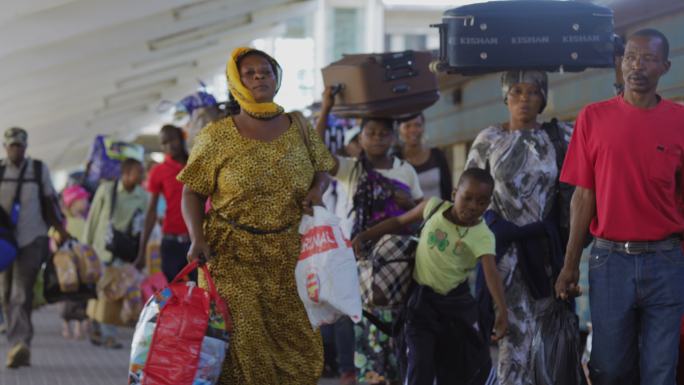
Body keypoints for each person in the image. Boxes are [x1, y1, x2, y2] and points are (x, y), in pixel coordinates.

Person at [178, 47, 334, 385]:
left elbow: (323, 167)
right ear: (237, 82)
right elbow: (191, 191)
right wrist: (197, 237)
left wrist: (316, 190)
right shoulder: (217, 135)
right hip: (231, 255)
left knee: (299, 347)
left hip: (289, 254)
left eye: (266, 70)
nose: (260, 76)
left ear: (277, 78)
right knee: (246, 347)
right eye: (250, 72)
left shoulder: (299, 126)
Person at [555, 29, 684, 385]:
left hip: (667, 260)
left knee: (660, 372)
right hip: (610, 261)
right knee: (609, 370)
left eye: (647, 58)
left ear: (666, 66)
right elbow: (582, 196)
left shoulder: (680, 120)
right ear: (620, 61)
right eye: (629, 56)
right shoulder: (592, 118)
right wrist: (569, 266)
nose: (636, 65)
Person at [466, 70, 573, 385]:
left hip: (545, 254)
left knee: (545, 336)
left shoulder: (560, 136)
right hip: (502, 256)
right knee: (510, 336)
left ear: (543, 98)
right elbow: (468, 197)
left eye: (532, 92)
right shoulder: (489, 139)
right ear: (505, 97)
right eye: (516, 91)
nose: (524, 98)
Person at [352, 168, 506, 385]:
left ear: (488, 204)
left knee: (463, 362)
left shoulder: (483, 236)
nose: (473, 206)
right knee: (419, 362)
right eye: (467, 198)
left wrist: (502, 311)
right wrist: (365, 235)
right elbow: (399, 222)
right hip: (420, 303)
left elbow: (491, 273)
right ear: (454, 193)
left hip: (454, 306)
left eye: (481, 202)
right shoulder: (433, 207)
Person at [318, 95, 423, 384]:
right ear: (361, 137)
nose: (376, 138)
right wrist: (326, 108)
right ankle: (366, 375)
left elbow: (421, 210)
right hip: (360, 259)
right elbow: (316, 153)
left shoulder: (405, 169)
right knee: (362, 323)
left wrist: (406, 205)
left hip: (398, 262)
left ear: (393, 136)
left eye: (383, 133)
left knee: (398, 325)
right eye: (370, 133)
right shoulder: (351, 169)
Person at [0, 127, 69, 368]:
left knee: (22, 291)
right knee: (6, 293)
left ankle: (20, 344)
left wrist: (60, 230)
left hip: (33, 238)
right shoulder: (0, 170)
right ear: (5, 147)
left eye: (19, 145)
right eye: (11, 145)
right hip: (4, 242)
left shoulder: (38, 169)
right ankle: (16, 338)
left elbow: (50, 202)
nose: (15, 149)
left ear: (26, 147)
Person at [83, 157, 147, 349]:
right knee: (99, 291)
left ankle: (108, 334)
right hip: (101, 249)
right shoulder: (106, 190)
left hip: (123, 251)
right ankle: (97, 325)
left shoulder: (143, 196)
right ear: (126, 173)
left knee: (112, 292)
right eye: (138, 172)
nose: (142, 175)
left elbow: (143, 225)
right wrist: (86, 248)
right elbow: (93, 218)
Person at [136, 124, 193, 282]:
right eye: (164, 143)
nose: (169, 146)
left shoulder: (195, 165)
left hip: (197, 240)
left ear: (181, 138)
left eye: (172, 140)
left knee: (203, 292)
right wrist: (142, 253)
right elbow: (151, 212)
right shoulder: (158, 172)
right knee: (173, 295)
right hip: (171, 243)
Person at [59, 185, 91, 339]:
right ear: (72, 202)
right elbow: (54, 238)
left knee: (81, 295)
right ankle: (66, 324)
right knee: (67, 296)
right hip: (67, 265)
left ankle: (79, 325)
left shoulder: (86, 220)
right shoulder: (65, 222)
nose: (85, 203)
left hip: (82, 265)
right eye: (82, 200)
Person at [397, 113, 453, 200]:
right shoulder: (395, 160)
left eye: (417, 125)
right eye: (407, 126)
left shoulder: (437, 155)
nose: (413, 130)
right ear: (399, 130)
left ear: (423, 127)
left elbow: (448, 190)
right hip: (409, 214)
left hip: (439, 212)